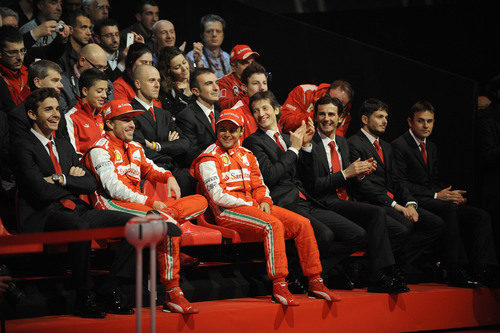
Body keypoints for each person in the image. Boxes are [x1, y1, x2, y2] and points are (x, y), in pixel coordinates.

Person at [244, 92, 407, 293]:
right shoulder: (253, 141)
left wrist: (304, 148)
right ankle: (308, 274)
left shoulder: (290, 138)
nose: (261, 114)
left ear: (276, 110)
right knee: (326, 234)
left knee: (358, 235)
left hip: (308, 201)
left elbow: (303, 174)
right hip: (286, 203)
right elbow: (270, 176)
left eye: (265, 108)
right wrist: (296, 149)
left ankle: (307, 273)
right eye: (256, 111)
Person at [191, 108, 341, 306]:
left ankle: (315, 282)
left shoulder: (248, 155)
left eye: (232, 129)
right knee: (273, 225)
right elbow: (218, 197)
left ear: (241, 132)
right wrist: (251, 203)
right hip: (227, 211)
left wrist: (264, 201)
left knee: (303, 224)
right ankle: (279, 286)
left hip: (254, 206)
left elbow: (259, 185)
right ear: (217, 131)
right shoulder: (208, 158)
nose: (227, 134)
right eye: (222, 129)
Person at [13, 88, 140, 318]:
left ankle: (109, 286)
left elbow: (90, 183)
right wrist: (72, 182)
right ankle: (84, 296)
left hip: (74, 209)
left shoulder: (63, 144)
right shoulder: (22, 145)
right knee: (79, 228)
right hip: (43, 213)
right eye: (48, 109)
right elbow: (38, 191)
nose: (55, 115)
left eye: (58, 109)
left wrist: (59, 179)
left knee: (137, 223)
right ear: (32, 114)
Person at [83, 99, 207, 314]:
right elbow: (113, 189)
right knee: (167, 226)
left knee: (200, 201)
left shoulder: (135, 147)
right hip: (111, 206)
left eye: (132, 120)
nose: (132, 125)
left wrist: (168, 176)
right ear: (109, 124)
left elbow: (151, 169)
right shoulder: (99, 150)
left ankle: (165, 215)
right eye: (125, 120)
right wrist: (150, 203)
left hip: (141, 208)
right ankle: (173, 292)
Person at [392, 100, 498, 287]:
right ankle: (455, 268)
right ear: (410, 122)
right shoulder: (399, 145)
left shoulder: (431, 147)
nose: (426, 126)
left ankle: (484, 269)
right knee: (448, 209)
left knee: (480, 215)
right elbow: (401, 184)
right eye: (421, 121)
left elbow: (433, 181)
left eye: (430, 121)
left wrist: (451, 194)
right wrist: (436, 196)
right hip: (413, 201)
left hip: (434, 198)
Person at [347, 98, 445, 283]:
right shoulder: (353, 143)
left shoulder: (386, 146)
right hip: (368, 202)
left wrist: (409, 203)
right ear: (365, 120)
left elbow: (398, 180)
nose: (385, 121)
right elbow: (362, 185)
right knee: (403, 226)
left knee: (434, 223)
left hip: (390, 201)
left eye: (386, 117)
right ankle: (377, 270)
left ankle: (398, 265)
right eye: (379, 116)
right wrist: (395, 205)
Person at [131, 65, 193, 195]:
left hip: (171, 169)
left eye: (158, 81)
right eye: (151, 80)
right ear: (138, 84)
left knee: (193, 175)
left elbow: (185, 143)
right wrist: (170, 148)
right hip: (148, 173)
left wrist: (157, 146)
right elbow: (141, 150)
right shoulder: (130, 113)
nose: (157, 85)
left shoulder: (164, 114)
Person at [176, 67, 221, 166]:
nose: (216, 88)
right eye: (209, 83)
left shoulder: (220, 113)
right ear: (196, 91)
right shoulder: (186, 116)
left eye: (216, 83)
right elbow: (191, 154)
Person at [8, 59, 63, 139]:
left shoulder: (58, 110)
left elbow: (65, 142)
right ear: (37, 82)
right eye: (55, 80)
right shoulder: (18, 117)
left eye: (60, 81)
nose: (61, 85)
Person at [279, 80, 354, 137]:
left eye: (338, 103)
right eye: (329, 98)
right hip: (289, 139)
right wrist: (316, 114)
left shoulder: (345, 113)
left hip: (317, 148)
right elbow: (285, 123)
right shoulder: (304, 92)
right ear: (325, 93)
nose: (331, 105)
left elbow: (335, 140)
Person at [64, 68, 106, 157]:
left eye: (106, 91)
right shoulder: (71, 118)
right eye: (99, 91)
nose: (104, 96)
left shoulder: (102, 116)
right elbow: (74, 155)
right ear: (85, 91)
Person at [59, 43, 113, 113]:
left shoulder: (107, 83)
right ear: (82, 61)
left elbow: (109, 112)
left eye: (104, 68)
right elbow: (63, 116)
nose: (102, 72)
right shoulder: (61, 83)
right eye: (98, 67)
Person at [112, 42, 159, 107]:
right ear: (131, 62)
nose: (148, 66)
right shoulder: (119, 86)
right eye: (144, 62)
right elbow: (125, 114)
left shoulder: (153, 83)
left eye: (150, 63)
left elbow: (157, 110)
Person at [230, 62, 268, 141]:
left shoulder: (271, 109)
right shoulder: (236, 114)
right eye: (255, 83)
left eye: (264, 83)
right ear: (244, 87)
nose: (262, 88)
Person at [186, 14, 230, 79]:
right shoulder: (192, 56)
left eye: (218, 31)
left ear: (223, 35)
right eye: (209, 31)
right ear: (202, 35)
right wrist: (197, 63)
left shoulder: (227, 57)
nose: (214, 35)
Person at [218, 44, 259, 110]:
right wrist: (244, 93)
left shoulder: (258, 79)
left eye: (252, 62)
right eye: (245, 63)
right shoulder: (224, 82)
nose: (251, 66)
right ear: (233, 67)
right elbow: (224, 106)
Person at [157, 46, 193, 117]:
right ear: (168, 71)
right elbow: (176, 115)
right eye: (177, 67)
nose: (184, 68)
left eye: (184, 62)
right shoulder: (167, 91)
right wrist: (186, 94)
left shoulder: (197, 78)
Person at [0, 26, 30, 106]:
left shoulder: (27, 73)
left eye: (22, 51)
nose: (20, 57)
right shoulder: (2, 80)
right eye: (13, 52)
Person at [93, 18, 122, 82]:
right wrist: (122, 64)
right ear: (98, 39)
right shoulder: (94, 59)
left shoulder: (124, 54)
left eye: (117, 34)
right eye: (109, 36)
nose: (115, 40)